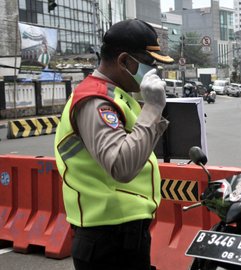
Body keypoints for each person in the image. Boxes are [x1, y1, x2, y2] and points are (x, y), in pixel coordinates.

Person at [54, 19, 174, 270]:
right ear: (124, 61)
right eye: (148, 64)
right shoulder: (96, 101)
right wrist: (152, 107)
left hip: (123, 233)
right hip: (108, 238)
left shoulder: (118, 96)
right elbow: (121, 166)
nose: (153, 71)